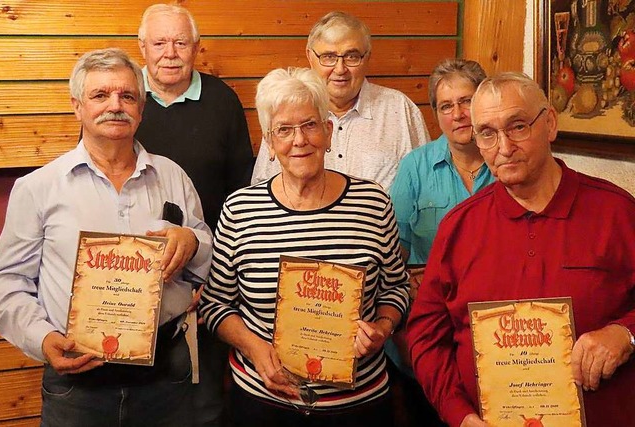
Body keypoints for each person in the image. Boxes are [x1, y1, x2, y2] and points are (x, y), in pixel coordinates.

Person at [0, 48, 213, 427]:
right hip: (77, 382)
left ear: (141, 108)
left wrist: (192, 242)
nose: (115, 105)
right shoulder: (37, 188)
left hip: (168, 376)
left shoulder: (173, 176)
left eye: (127, 96)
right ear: (77, 106)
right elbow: (7, 283)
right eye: (100, 96)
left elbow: (208, 254)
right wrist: (43, 339)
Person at [406, 72, 635, 427]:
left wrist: (626, 332)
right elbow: (425, 336)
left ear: (550, 124)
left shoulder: (616, 212)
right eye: (487, 133)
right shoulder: (459, 227)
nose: (504, 147)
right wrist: (459, 414)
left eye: (517, 127)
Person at [199, 67, 410, 427]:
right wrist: (254, 348)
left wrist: (383, 328)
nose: (299, 140)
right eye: (284, 129)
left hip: (359, 406)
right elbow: (215, 304)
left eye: (310, 125)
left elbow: (396, 287)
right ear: (269, 140)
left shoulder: (373, 203)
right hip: (263, 404)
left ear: (328, 132)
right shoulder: (240, 210)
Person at [136, 5, 253, 426]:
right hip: (133, 283)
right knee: (139, 404)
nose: (170, 53)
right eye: (160, 43)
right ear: (142, 48)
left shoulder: (223, 101)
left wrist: (214, 277)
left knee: (205, 406)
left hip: (210, 280)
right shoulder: (124, 100)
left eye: (180, 42)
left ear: (197, 48)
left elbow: (243, 194)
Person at [386, 58, 494, 427]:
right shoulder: (415, 167)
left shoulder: (507, 164)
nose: (459, 114)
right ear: (436, 114)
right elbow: (392, 246)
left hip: (495, 322)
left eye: (467, 101)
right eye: (446, 106)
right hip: (433, 322)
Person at [251, 11, 430, 191]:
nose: (340, 69)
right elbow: (261, 187)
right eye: (328, 57)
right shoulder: (285, 113)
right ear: (310, 57)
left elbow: (427, 185)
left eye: (352, 56)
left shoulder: (399, 109)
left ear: (367, 57)